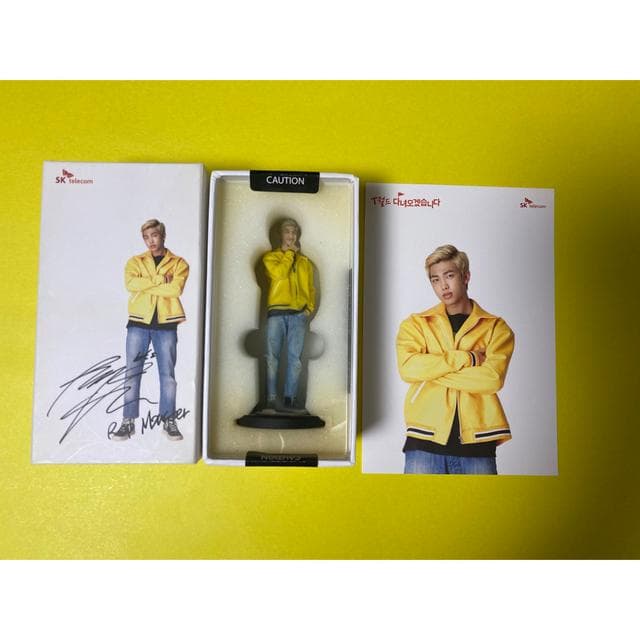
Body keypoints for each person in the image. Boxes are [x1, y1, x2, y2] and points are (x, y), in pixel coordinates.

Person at [396, 244, 514, 474]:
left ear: (466, 277)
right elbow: (408, 369)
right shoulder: (416, 324)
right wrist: (467, 358)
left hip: (478, 443)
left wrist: (431, 370)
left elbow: (491, 380)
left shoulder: (496, 328)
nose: (443, 286)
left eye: (449, 276)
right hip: (423, 442)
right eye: (435, 280)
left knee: (480, 501)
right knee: (418, 501)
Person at [112, 219, 189, 441]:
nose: (150, 241)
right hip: (138, 324)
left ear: (163, 235)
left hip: (166, 325)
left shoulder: (179, 263)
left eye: (154, 235)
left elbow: (175, 289)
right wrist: (158, 279)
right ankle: (128, 422)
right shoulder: (135, 262)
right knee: (132, 373)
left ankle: (169, 420)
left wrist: (146, 283)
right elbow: (131, 285)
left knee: (168, 375)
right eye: (146, 237)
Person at [262, 218, 315, 413]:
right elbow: (279, 274)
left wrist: (308, 309)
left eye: (294, 232)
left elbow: (311, 288)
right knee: (272, 358)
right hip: (276, 313)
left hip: (298, 315)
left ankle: (289, 400)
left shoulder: (305, 262)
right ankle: (271, 399)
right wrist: (290, 254)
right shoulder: (271, 258)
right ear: (280, 234)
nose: (291, 235)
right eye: (287, 231)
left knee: (295, 360)